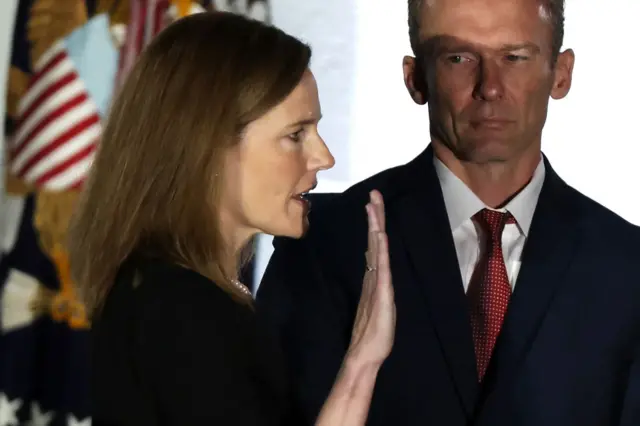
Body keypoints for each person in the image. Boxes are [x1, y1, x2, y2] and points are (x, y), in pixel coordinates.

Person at [256, 0, 640, 425]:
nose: (490, 87)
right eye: (459, 58)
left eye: (514, 57)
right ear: (416, 78)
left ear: (561, 73)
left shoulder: (626, 267)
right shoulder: (325, 244)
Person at [67, 12, 396, 426]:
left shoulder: (167, 293)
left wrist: (362, 360)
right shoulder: (184, 313)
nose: (323, 157)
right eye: (296, 134)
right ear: (210, 147)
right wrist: (361, 365)